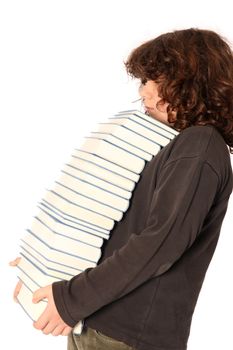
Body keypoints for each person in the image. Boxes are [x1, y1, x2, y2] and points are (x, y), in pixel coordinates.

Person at [10, 28, 233, 350]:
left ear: (193, 86)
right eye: (145, 81)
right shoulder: (173, 144)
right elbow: (116, 223)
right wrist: (42, 263)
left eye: (158, 81)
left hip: (125, 335)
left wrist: (72, 298)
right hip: (103, 323)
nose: (146, 94)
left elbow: (160, 242)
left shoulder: (199, 145)